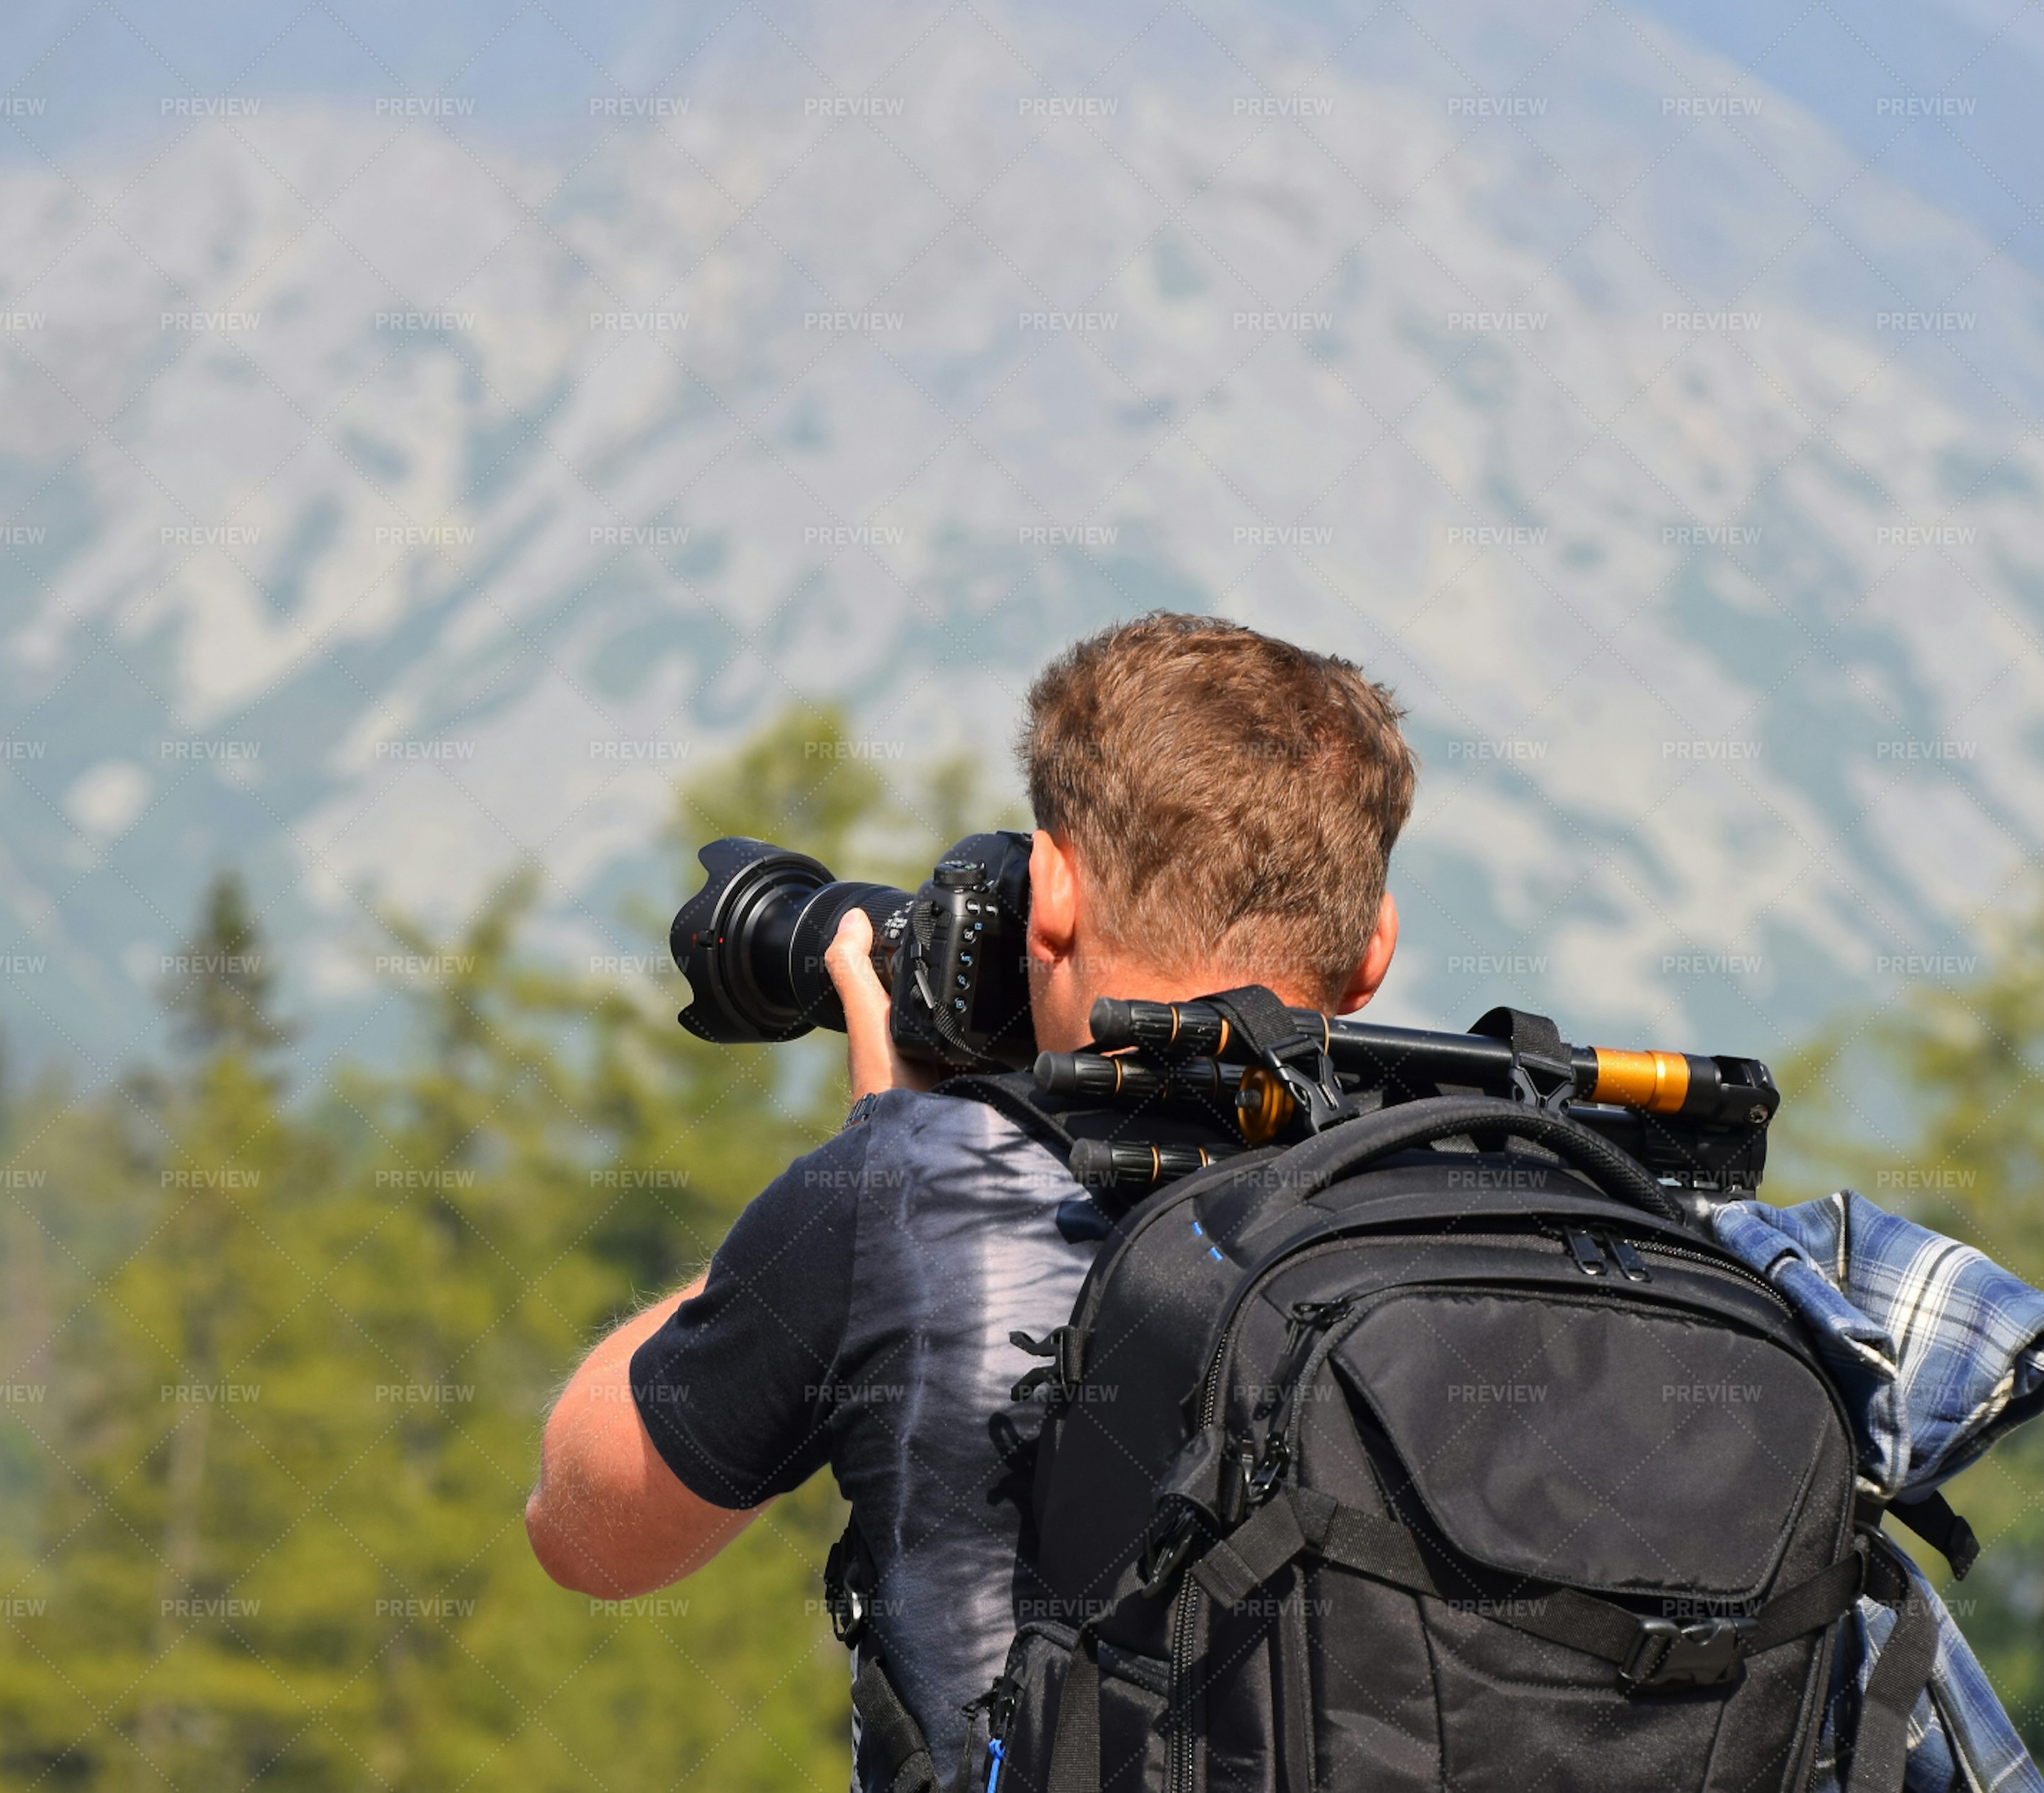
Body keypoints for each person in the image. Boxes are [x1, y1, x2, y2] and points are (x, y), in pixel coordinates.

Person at [523, 613, 1418, 1787]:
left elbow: (586, 1529)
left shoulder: (912, 1193)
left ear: (1048, 895)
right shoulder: (1503, 1194)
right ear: (1373, 952)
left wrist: (888, 1148)